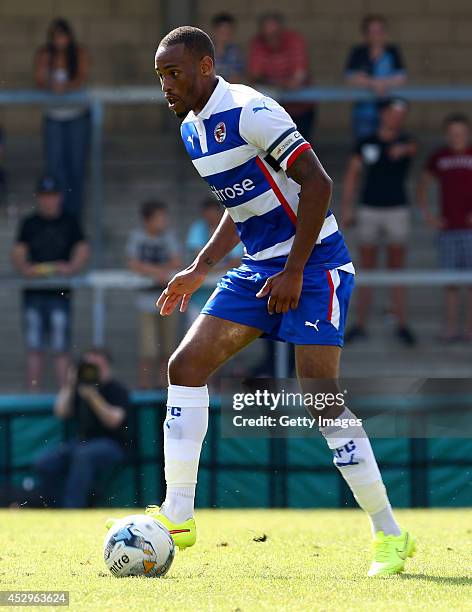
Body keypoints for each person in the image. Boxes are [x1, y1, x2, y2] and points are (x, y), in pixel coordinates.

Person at [108, 26, 416, 578]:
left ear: (206, 67)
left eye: (174, 73)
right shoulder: (192, 129)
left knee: (321, 401)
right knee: (186, 365)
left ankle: (390, 534)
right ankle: (179, 513)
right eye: (159, 76)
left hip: (316, 262)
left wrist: (296, 270)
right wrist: (200, 266)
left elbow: (318, 184)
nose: (166, 85)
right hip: (258, 267)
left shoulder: (252, 111)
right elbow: (240, 204)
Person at [341, 98, 417, 346]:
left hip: (397, 209)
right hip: (370, 209)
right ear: (383, 113)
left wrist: (403, 149)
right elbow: (352, 176)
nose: (398, 117)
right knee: (367, 267)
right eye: (394, 112)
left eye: (402, 113)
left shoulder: (407, 141)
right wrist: (347, 208)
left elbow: (413, 148)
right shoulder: (366, 142)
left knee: (397, 268)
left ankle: (401, 321)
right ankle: (361, 322)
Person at [12, 175, 89, 391]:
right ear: (39, 198)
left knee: (60, 348)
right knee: (34, 348)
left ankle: (64, 397)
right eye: (45, 196)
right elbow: (18, 251)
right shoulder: (29, 222)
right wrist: (25, 268)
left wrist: (71, 267)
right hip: (34, 293)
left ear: (59, 197)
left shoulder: (69, 220)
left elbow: (82, 248)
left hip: (59, 293)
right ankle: (33, 399)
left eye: (52, 195)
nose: (49, 200)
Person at [34, 348, 130, 508]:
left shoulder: (117, 389)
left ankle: (72, 509)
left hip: (113, 444)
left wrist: (93, 397)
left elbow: (114, 421)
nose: (90, 370)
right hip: (82, 443)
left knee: (83, 456)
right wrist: (70, 385)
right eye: (87, 366)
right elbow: (61, 412)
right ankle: (54, 509)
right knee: (45, 462)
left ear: (106, 366)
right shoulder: (80, 388)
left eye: (95, 366)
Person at [417, 114, 472, 342]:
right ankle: (450, 328)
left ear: (467, 134)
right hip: (448, 229)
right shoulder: (439, 157)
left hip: (470, 230)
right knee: (450, 283)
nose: (456, 137)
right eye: (452, 133)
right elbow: (422, 185)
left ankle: (469, 329)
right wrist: (429, 216)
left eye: (459, 133)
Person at [34, 18, 90, 218]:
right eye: (56, 36)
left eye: (63, 35)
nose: (60, 40)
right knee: (55, 166)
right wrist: (51, 85)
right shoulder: (45, 54)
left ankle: (75, 213)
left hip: (76, 116)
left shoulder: (78, 52)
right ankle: (59, 213)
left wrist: (65, 87)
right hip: (53, 116)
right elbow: (39, 80)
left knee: (76, 166)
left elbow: (81, 78)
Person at [126, 200, 181, 388]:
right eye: (159, 218)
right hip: (145, 301)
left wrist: (158, 271)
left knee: (167, 348)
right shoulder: (137, 237)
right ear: (147, 220)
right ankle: (144, 388)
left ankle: (163, 387)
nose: (163, 221)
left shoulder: (169, 236)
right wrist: (156, 272)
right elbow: (133, 263)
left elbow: (176, 261)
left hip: (167, 300)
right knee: (147, 351)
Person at [247, 13, 315, 141]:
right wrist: (283, 84)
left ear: (282, 31)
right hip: (272, 112)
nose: (270, 38)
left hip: (300, 110)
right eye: (266, 35)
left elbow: (297, 81)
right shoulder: (258, 43)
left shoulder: (294, 40)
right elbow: (255, 76)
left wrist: (271, 83)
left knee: (300, 153)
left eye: (274, 34)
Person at [345, 14, 407, 141]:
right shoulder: (359, 52)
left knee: (387, 147)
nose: (376, 35)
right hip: (364, 112)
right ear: (365, 34)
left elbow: (401, 77)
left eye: (379, 31)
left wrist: (383, 83)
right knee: (364, 146)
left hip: (389, 113)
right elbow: (349, 77)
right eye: (372, 31)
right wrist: (373, 83)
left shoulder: (392, 51)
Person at [186, 198, 243, 321]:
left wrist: (207, 268)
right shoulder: (198, 228)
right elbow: (197, 257)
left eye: (213, 212)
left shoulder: (231, 229)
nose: (210, 217)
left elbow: (236, 261)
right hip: (199, 298)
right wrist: (208, 268)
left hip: (225, 296)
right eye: (207, 213)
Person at [210, 13, 244, 83]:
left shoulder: (235, 52)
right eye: (222, 33)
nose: (225, 37)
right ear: (214, 31)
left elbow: (236, 78)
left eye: (228, 33)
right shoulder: (205, 50)